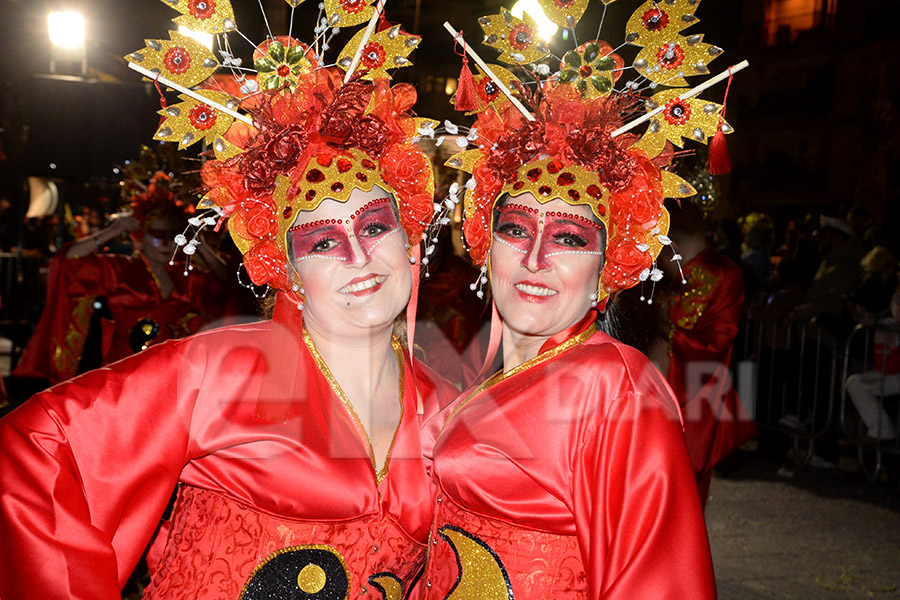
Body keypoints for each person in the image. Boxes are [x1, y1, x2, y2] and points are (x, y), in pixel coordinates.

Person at [0, 11, 457, 597]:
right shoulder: (220, 372)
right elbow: (37, 447)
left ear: (409, 233)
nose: (358, 256)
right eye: (322, 241)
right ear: (285, 267)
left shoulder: (444, 405)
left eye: (374, 227)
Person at [419, 2, 722, 594]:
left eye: (568, 237)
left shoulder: (617, 389)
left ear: (611, 264)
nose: (535, 259)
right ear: (484, 242)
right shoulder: (492, 370)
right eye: (515, 229)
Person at [11, 170, 228, 389]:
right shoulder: (120, 269)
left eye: (172, 236)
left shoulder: (185, 275)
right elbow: (69, 262)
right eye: (156, 234)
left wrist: (200, 245)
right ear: (139, 237)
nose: (166, 243)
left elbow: (229, 284)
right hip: (126, 371)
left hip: (176, 373)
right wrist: (112, 231)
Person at [659, 200, 757, 506]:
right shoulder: (650, 270)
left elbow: (716, 342)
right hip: (637, 399)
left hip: (690, 405)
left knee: (677, 505)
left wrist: (657, 337)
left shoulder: (723, 273)